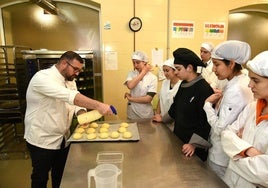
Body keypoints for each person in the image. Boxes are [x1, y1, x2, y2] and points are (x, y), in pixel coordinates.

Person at [24, 51, 114, 188]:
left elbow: (75, 103)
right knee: (40, 177)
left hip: (62, 138)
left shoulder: (70, 81)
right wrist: (99, 106)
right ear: (64, 63)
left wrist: (83, 115)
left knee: (60, 174)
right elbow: (70, 97)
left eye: (79, 70)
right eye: (75, 69)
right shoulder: (42, 78)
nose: (77, 73)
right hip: (42, 139)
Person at [203, 40, 254, 180]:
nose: (213, 69)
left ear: (231, 63)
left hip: (220, 157)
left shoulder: (235, 90)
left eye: (216, 64)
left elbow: (220, 128)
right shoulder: (238, 82)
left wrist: (207, 105)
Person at [153, 48, 214, 161]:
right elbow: (175, 107)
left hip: (192, 149)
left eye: (178, 69)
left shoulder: (204, 89)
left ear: (189, 68)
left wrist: (194, 144)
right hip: (179, 140)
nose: (175, 72)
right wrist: (163, 119)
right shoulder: (184, 85)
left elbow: (206, 122)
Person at [221, 51, 268, 188]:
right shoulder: (252, 108)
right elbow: (227, 133)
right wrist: (247, 151)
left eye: (256, 80)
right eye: (250, 79)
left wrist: (234, 155)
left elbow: (265, 173)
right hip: (230, 181)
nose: (249, 85)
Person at [124, 51, 157, 120]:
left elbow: (148, 99)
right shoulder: (131, 73)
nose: (135, 65)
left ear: (144, 62)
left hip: (145, 114)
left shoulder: (153, 78)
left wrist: (131, 99)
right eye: (133, 63)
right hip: (132, 112)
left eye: (138, 62)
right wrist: (143, 73)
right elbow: (130, 86)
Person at [153, 58, 181, 131]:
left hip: (175, 123)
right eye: (164, 71)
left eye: (167, 70)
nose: (165, 73)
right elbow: (160, 99)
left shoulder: (181, 85)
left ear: (175, 70)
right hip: (162, 120)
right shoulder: (165, 82)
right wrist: (157, 114)